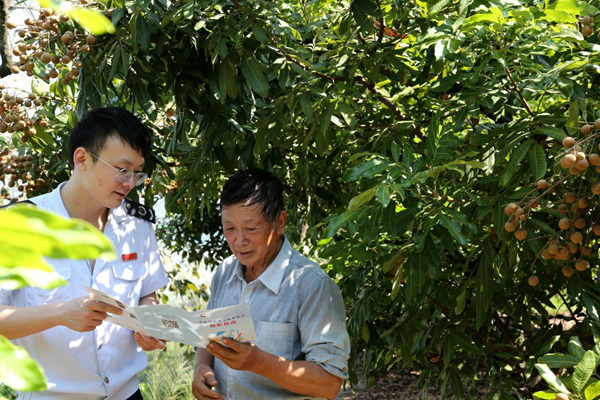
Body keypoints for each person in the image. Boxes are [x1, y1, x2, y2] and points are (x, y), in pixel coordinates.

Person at [0, 107, 170, 400]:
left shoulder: (137, 226)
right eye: (122, 169)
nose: (130, 183)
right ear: (82, 159)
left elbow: (147, 292)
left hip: (127, 393)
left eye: (137, 173)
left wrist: (148, 322)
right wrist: (59, 313)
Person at [192, 168, 350, 400]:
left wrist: (259, 362)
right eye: (230, 228)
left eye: (251, 228)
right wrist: (201, 368)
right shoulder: (225, 272)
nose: (239, 241)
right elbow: (209, 338)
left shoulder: (311, 285)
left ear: (279, 222)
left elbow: (329, 383)